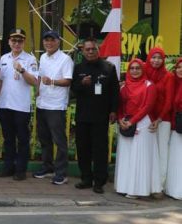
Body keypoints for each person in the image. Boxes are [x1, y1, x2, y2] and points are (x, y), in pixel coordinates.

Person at [71, 38, 118, 194]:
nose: (90, 52)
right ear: (83, 51)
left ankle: (99, 181)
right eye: (87, 49)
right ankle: (86, 178)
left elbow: (115, 92)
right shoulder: (78, 68)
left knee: (100, 149)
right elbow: (73, 90)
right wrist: (81, 84)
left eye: (93, 49)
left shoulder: (109, 68)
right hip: (83, 115)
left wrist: (113, 111)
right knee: (83, 148)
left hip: (101, 116)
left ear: (98, 50)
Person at [114, 58, 161, 199]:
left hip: (143, 123)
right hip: (126, 122)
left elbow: (148, 106)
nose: (135, 71)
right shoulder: (124, 87)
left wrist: (132, 121)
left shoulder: (149, 85)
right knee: (126, 156)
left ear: (143, 69)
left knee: (139, 156)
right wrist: (120, 119)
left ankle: (138, 189)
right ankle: (124, 186)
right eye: (132, 68)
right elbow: (120, 106)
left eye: (138, 68)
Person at [0, 28, 39, 181]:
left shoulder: (30, 59)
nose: (16, 43)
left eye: (20, 40)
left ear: (24, 42)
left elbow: (34, 82)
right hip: (4, 104)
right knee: (8, 138)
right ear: (9, 42)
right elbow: (0, 81)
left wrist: (22, 70)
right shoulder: (3, 58)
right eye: (14, 40)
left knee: (22, 139)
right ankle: (8, 167)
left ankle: (20, 169)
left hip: (21, 106)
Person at [33, 30, 73, 185]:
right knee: (44, 139)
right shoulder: (42, 57)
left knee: (59, 140)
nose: (49, 43)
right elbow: (40, 77)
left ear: (58, 41)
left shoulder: (65, 59)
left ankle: (61, 173)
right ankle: (47, 167)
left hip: (56, 105)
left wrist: (53, 82)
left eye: (52, 40)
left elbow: (68, 80)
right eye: (46, 40)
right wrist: (37, 90)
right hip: (42, 102)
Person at [145, 47, 173, 189]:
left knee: (162, 152)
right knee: (149, 152)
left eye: (159, 58)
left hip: (163, 120)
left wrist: (159, 119)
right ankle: (148, 183)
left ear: (163, 60)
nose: (156, 60)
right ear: (149, 58)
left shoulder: (168, 76)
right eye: (153, 57)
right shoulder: (145, 73)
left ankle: (159, 185)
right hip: (146, 119)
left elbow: (168, 101)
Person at [165, 58, 182, 200]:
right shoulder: (173, 83)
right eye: (178, 67)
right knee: (174, 158)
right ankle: (172, 188)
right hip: (174, 127)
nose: (180, 70)